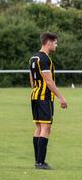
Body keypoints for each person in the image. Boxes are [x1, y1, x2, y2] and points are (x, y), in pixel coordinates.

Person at [29, 32, 67, 170]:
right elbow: (49, 81)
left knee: (39, 127)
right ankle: (40, 163)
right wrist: (61, 97)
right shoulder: (45, 59)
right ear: (49, 42)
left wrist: (35, 90)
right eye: (55, 43)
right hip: (44, 97)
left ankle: (38, 161)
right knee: (46, 128)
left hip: (34, 96)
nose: (56, 45)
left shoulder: (33, 58)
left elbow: (32, 80)